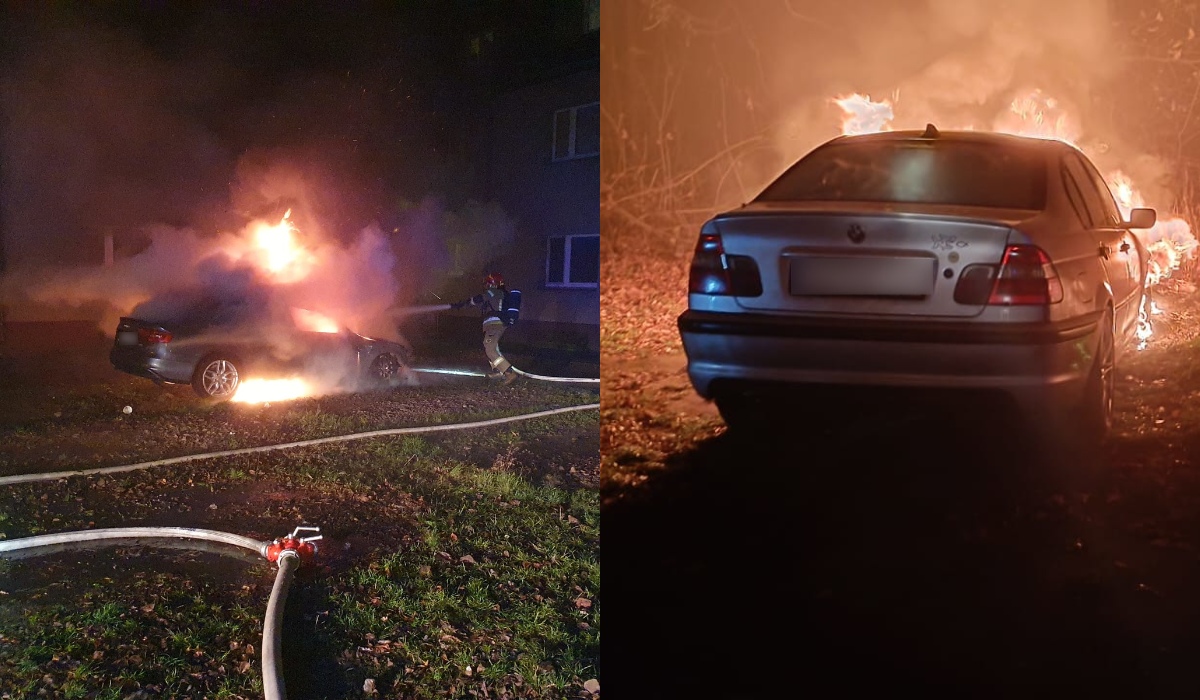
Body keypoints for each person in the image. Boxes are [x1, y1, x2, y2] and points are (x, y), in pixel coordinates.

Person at [450, 272, 521, 385]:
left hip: (495, 325)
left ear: (492, 284)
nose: (486, 286)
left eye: (488, 284)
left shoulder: (494, 291)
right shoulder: (499, 293)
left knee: (490, 348)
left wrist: (462, 304)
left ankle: (509, 373)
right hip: (493, 325)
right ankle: (498, 371)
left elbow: (478, 299)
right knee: (491, 347)